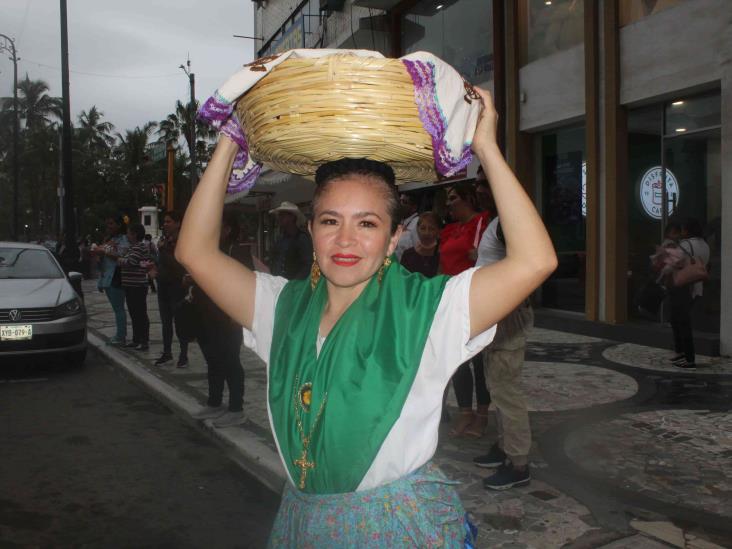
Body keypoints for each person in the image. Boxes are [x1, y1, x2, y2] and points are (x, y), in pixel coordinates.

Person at [177, 86, 556, 546]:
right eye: (330, 221)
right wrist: (229, 142)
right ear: (312, 228)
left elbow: (535, 261)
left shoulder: (428, 310)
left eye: (367, 223)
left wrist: (487, 149)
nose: (346, 240)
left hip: (394, 530)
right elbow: (194, 252)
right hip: (303, 526)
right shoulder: (280, 307)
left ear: (395, 237)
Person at [472, 216, 535, 490]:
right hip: (499, 308)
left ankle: (518, 463)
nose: (478, 186)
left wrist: (506, 302)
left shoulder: (507, 222)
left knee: (506, 390)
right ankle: (504, 446)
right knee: (496, 385)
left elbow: (523, 263)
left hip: (506, 311)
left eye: (484, 183)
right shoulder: (499, 221)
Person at [193, 208, 254, 428]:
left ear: (227, 229)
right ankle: (215, 402)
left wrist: (237, 315)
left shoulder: (237, 251)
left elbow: (246, 283)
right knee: (213, 359)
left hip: (229, 316)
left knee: (230, 361)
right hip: (207, 313)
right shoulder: (212, 249)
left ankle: (236, 408)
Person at [440, 182, 492, 438]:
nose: (449, 203)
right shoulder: (449, 230)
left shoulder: (483, 223)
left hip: (476, 298)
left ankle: (482, 415)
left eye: (453, 197)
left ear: (468, 199)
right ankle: (464, 412)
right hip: (452, 301)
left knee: (480, 361)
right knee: (457, 360)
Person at [669, 217, 710, 370]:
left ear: (687, 230)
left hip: (684, 287)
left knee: (682, 323)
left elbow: (674, 262)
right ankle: (681, 353)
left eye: (684, 229)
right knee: (678, 319)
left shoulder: (686, 244)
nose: (682, 231)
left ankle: (689, 358)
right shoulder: (705, 245)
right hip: (697, 287)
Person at [153, 210, 190, 367]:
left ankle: (183, 355)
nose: (165, 224)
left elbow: (178, 264)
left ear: (178, 223)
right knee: (165, 322)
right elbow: (162, 262)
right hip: (162, 285)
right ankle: (167, 352)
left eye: (169, 221)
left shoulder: (183, 241)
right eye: (165, 222)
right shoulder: (165, 240)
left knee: (180, 322)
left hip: (177, 286)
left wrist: (162, 251)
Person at [117, 223, 153, 351]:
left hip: (137, 286)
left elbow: (130, 262)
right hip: (130, 285)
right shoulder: (133, 247)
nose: (127, 235)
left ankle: (144, 341)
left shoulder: (138, 247)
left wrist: (120, 260)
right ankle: (136, 339)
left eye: (129, 232)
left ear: (135, 234)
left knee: (140, 313)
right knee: (134, 313)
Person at [95, 216, 129, 346]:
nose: (108, 226)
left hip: (117, 276)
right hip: (107, 277)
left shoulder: (124, 240)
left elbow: (122, 255)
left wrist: (104, 252)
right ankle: (119, 335)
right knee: (117, 308)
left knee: (119, 308)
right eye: (107, 224)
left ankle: (121, 336)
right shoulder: (108, 240)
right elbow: (102, 263)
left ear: (119, 225)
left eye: (111, 223)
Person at [268, 201, 312, 279]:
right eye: (279, 215)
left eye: (282, 215)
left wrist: (294, 283)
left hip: (292, 285)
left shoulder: (302, 238)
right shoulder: (280, 239)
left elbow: (308, 265)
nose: (279, 218)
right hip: (277, 283)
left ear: (292, 217)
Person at [400, 211, 441, 278]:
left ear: (439, 231)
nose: (426, 233)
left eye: (431, 229)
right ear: (417, 230)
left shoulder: (442, 256)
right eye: (423, 228)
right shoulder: (407, 255)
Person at [394, 192, 420, 261]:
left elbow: (417, 251)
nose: (400, 204)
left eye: (404, 202)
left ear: (414, 208)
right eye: (400, 201)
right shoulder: (401, 221)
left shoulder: (417, 223)